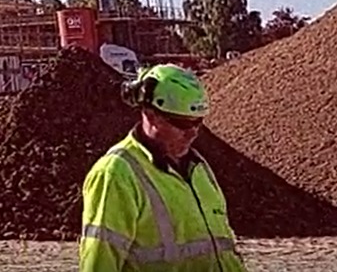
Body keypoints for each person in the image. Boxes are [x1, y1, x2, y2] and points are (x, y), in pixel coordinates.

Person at [78, 63, 248, 272]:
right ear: (150, 114)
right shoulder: (117, 174)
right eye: (182, 123)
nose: (193, 132)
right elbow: (99, 262)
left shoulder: (198, 168)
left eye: (198, 122)